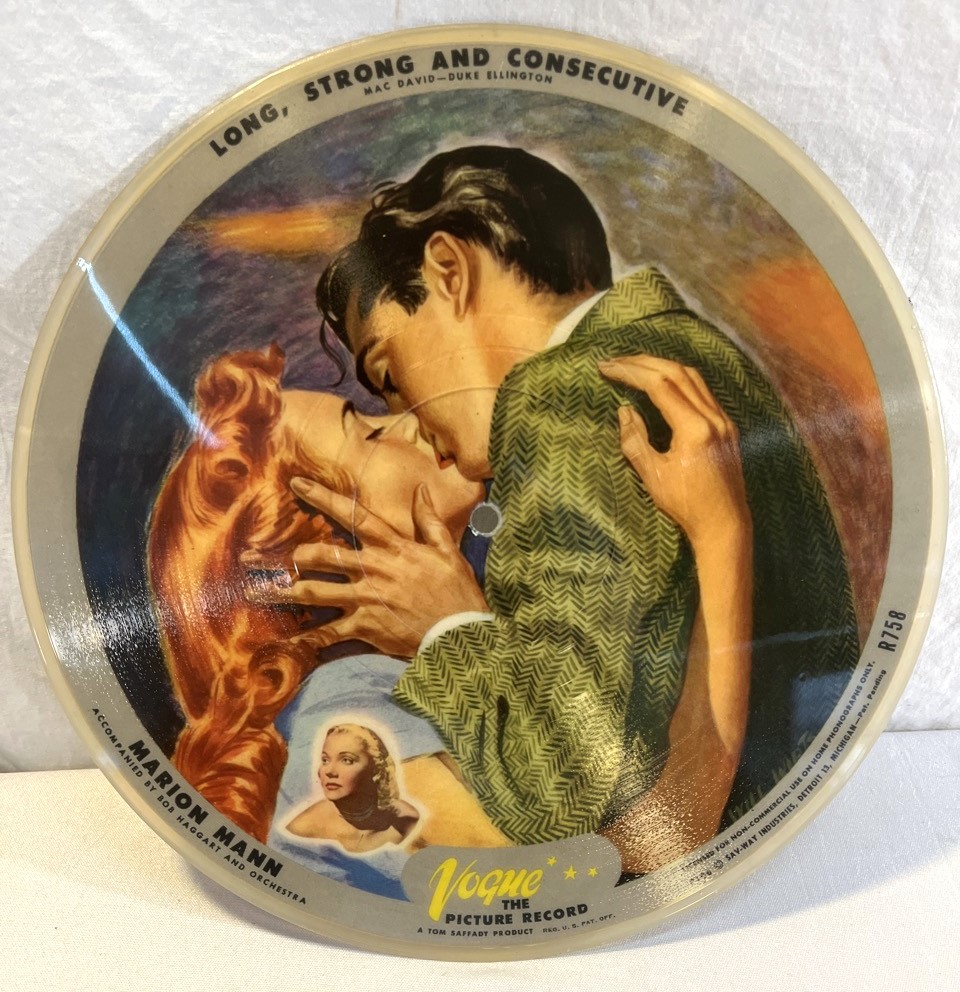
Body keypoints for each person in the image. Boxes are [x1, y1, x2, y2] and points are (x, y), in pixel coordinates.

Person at [277, 144, 860, 848]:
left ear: (449, 269)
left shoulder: (558, 394)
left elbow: (564, 793)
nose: (411, 423)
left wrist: (447, 629)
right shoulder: (695, 352)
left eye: (389, 375)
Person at [150, 338, 757, 875]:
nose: (409, 421)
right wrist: (720, 532)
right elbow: (652, 851)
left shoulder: (403, 666)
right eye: (368, 432)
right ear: (322, 558)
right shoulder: (345, 711)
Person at [284, 723, 419, 853]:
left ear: (375, 769)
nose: (330, 771)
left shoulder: (406, 818)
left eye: (347, 760)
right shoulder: (302, 828)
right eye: (325, 760)